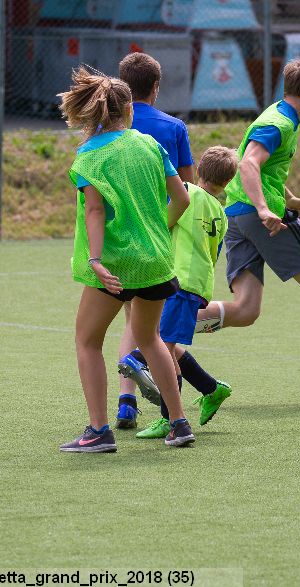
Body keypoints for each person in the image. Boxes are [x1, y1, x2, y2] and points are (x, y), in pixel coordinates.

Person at [193, 60, 300, 402]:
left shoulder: (277, 114)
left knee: (246, 310)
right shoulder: (280, 123)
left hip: (236, 215)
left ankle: (161, 333)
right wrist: (264, 208)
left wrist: (288, 197)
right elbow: (248, 163)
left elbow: (263, 166)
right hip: (262, 218)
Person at [56, 66, 194, 453]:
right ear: (129, 109)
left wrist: (96, 260)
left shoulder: (89, 155)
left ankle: (99, 431)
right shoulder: (149, 145)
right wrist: (159, 232)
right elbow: (182, 198)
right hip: (155, 261)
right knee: (150, 339)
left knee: (87, 341)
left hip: (116, 265)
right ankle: (179, 423)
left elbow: (94, 211)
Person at [120, 145, 239, 439]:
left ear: (198, 170)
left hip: (178, 280)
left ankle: (170, 419)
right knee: (168, 346)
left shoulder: (186, 192)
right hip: (197, 284)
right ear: (228, 181)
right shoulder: (221, 213)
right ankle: (210, 388)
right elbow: (213, 253)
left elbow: (163, 222)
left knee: (159, 347)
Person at [112, 52, 196, 429]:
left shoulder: (109, 130)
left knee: (132, 320)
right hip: (161, 236)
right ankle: (172, 414)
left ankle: (126, 401)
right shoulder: (174, 128)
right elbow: (187, 186)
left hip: (121, 236)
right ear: (156, 87)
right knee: (150, 328)